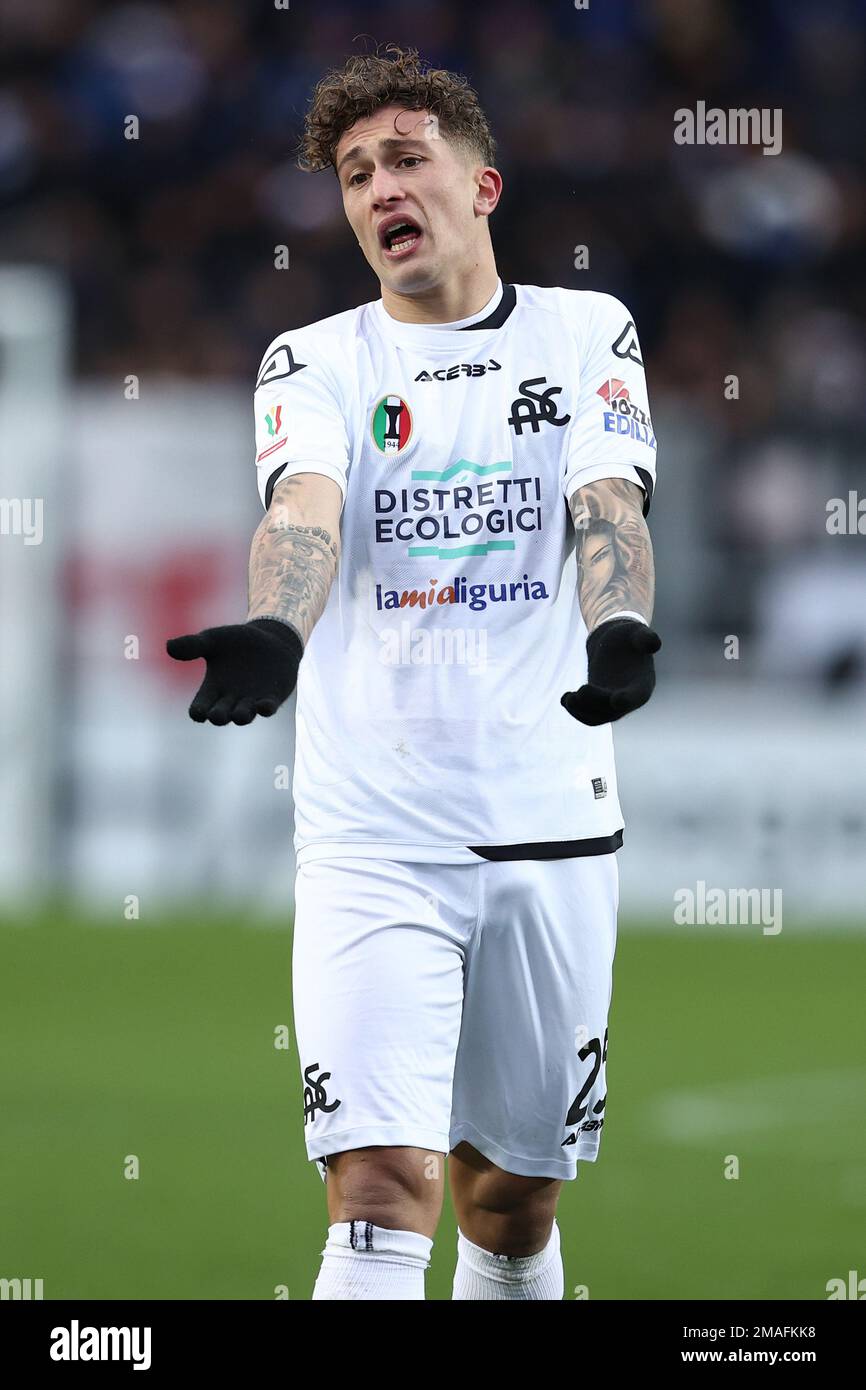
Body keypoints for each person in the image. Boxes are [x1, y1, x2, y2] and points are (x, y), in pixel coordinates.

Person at [168, 45, 661, 1301]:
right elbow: (305, 505)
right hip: (373, 835)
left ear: (479, 184)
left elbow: (605, 499)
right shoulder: (315, 357)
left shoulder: (581, 327)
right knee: (382, 1183)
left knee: (509, 1200)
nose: (378, 188)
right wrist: (276, 626)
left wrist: (617, 629)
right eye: (352, 174)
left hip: (549, 823)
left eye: (404, 158)